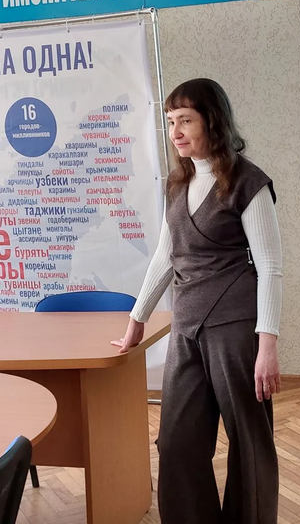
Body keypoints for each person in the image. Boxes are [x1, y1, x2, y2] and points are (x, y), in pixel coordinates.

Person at [111, 78, 282, 524]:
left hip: (235, 325)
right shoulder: (177, 182)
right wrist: (137, 318)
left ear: (213, 121)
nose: (175, 132)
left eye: (185, 120)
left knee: (248, 441)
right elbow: (165, 255)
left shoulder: (249, 182)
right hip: (186, 325)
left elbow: (270, 267)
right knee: (176, 441)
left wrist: (267, 345)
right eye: (170, 122)